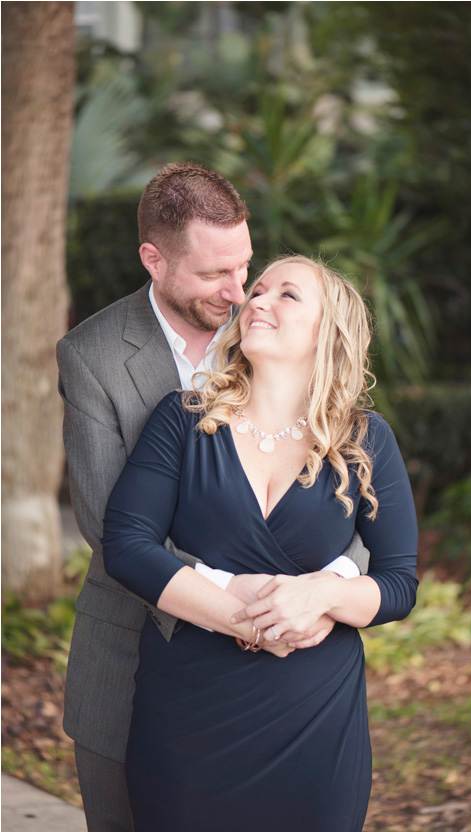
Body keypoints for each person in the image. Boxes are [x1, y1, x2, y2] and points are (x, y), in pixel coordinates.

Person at [57, 162, 366, 832]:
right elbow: (107, 524)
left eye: (245, 266)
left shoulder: (281, 332)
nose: (237, 293)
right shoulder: (93, 357)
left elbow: (358, 484)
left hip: (293, 676)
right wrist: (245, 608)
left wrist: (330, 588)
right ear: (154, 260)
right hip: (135, 651)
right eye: (212, 275)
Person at [97, 254, 418, 830]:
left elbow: (398, 582)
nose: (257, 301)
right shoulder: (184, 419)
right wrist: (248, 622)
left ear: (329, 332)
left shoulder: (365, 439)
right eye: (259, 290)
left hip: (316, 723)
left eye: (287, 295)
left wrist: (321, 596)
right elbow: (126, 543)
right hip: (188, 714)